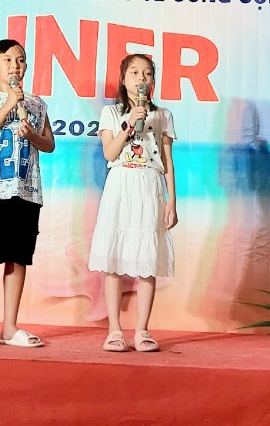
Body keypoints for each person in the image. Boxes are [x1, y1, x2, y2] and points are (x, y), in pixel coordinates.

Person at [0, 39, 56, 349]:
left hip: (26, 191)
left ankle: (10, 326)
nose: (15, 66)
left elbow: (48, 144)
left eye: (20, 60)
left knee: (18, 257)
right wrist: (7, 105)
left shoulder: (36, 104)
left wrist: (32, 134)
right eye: (8, 60)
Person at [88, 53, 178, 352]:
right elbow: (109, 153)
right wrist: (128, 125)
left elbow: (167, 160)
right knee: (113, 258)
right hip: (120, 184)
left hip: (149, 186)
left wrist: (172, 200)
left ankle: (142, 330)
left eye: (147, 73)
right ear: (124, 78)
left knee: (147, 259)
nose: (142, 77)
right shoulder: (111, 113)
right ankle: (114, 329)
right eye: (135, 72)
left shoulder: (163, 115)